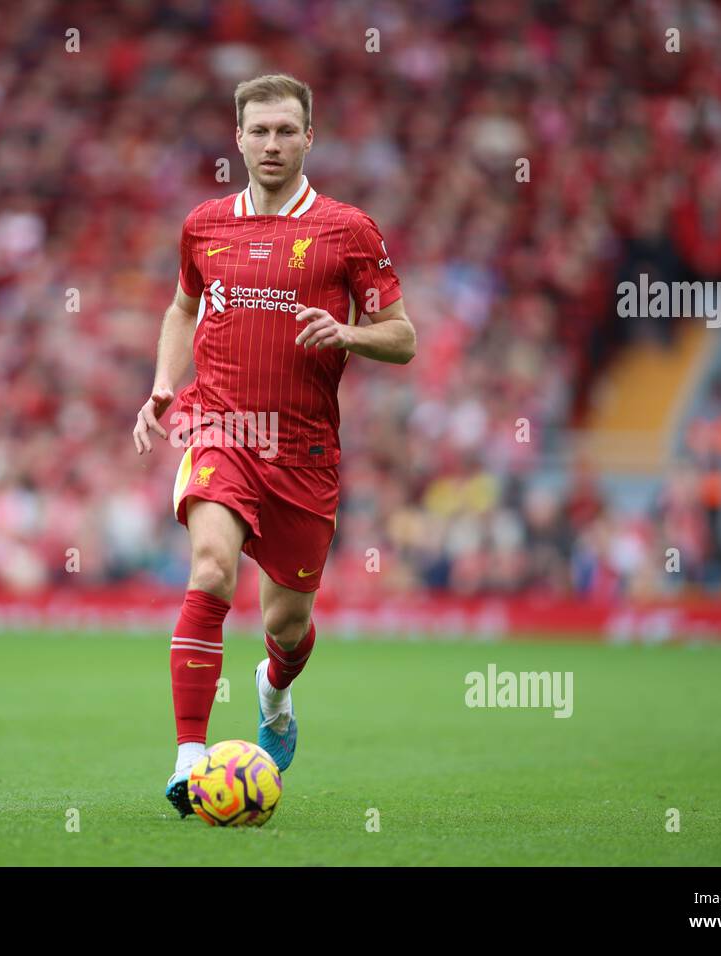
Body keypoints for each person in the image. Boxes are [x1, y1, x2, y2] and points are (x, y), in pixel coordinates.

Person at [130, 74, 417, 816]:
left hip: (305, 453)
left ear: (309, 137)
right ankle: (190, 754)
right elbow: (181, 306)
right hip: (220, 427)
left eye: (286, 131)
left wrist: (349, 331)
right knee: (212, 568)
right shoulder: (204, 225)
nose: (271, 144)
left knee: (286, 625)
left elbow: (403, 335)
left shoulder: (348, 230)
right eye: (258, 131)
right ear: (238, 137)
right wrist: (164, 382)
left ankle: (274, 690)